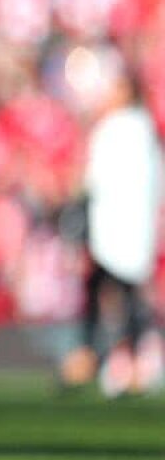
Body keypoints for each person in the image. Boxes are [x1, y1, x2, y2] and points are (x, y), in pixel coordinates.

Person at [60, 55, 163, 396]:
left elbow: (93, 178)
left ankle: (118, 356)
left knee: (120, 292)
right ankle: (103, 354)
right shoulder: (138, 129)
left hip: (121, 225)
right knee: (110, 289)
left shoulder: (124, 129)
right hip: (122, 226)